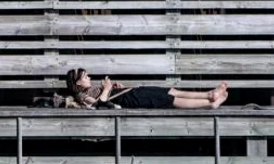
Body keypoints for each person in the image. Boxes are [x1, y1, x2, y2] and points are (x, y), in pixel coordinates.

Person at [66, 68, 228, 109]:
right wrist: (107, 89)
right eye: (86, 77)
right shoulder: (81, 96)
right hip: (131, 100)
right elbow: (98, 106)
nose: (89, 78)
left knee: (169, 91)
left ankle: (209, 94)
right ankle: (209, 104)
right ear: (78, 83)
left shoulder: (87, 90)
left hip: (130, 93)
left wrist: (115, 87)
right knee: (169, 100)